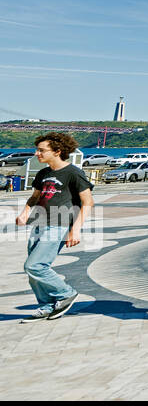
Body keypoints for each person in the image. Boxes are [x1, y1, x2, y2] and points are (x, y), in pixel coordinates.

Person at [16, 132, 93, 321]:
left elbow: (88, 202)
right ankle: (46, 306)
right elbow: (35, 197)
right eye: (37, 150)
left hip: (59, 225)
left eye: (42, 150)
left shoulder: (74, 173)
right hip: (38, 224)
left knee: (35, 266)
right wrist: (25, 212)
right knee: (33, 271)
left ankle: (66, 293)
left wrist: (75, 230)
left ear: (57, 151)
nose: (37, 154)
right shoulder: (43, 173)